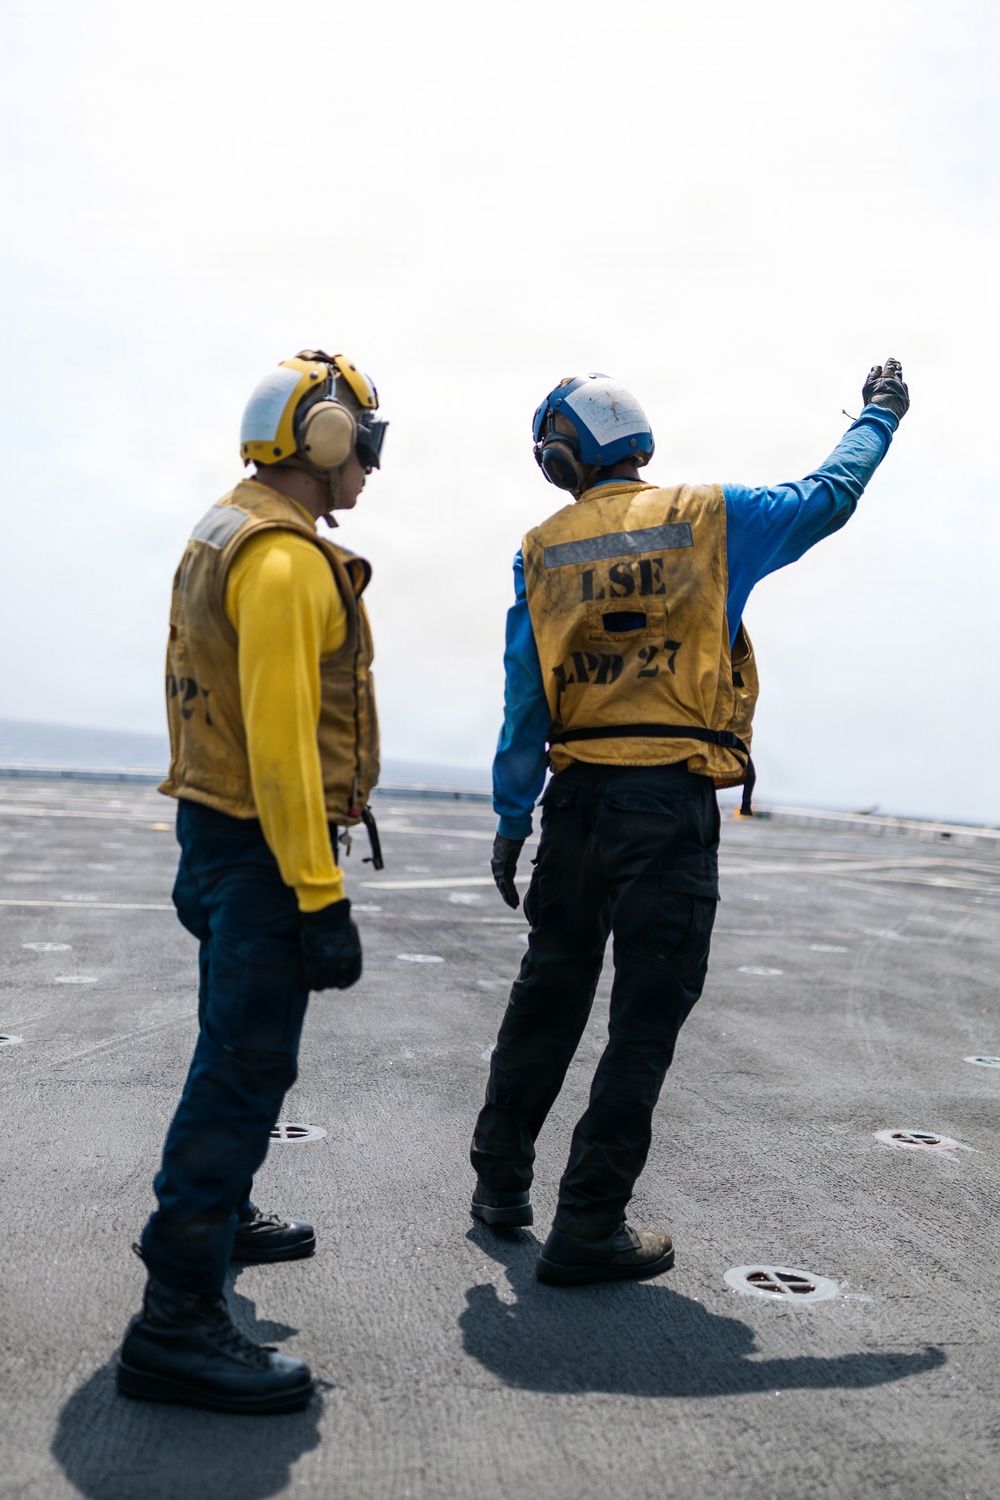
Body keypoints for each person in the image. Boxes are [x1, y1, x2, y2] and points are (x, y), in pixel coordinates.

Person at [471, 359, 909, 1286]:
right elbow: (830, 494)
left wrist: (514, 818)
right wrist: (879, 414)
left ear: (561, 458)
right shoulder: (712, 517)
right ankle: (588, 1222)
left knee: (548, 993)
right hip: (666, 808)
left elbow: (523, 698)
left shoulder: (541, 548)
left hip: (576, 805)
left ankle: (501, 1186)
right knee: (644, 1017)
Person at [117, 350, 387, 1412]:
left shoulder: (219, 528)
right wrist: (320, 896)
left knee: (238, 1057)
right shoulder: (280, 559)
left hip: (211, 833)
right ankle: (176, 1319)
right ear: (322, 438)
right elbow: (278, 745)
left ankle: (219, 1222)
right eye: (363, 436)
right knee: (242, 1072)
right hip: (263, 849)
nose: (369, 458)